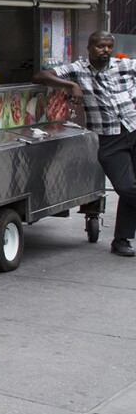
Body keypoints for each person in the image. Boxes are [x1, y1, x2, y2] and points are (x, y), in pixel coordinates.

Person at [34, 31, 136, 256]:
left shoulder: (126, 65)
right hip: (111, 138)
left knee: (132, 188)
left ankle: (121, 241)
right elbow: (41, 75)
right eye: (100, 46)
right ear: (89, 47)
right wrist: (69, 85)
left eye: (109, 46)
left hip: (134, 128)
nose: (106, 50)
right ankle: (121, 240)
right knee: (126, 187)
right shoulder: (78, 69)